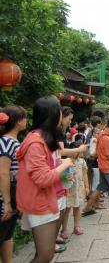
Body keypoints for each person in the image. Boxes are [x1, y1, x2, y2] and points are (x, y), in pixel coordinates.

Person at [16, 97, 74, 263]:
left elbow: (46, 168)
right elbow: (42, 178)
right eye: (59, 112)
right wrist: (66, 164)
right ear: (53, 115)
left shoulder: (41, 138)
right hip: (40, 201)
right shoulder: (36, 142)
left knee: (44, 254)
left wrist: (61, 168)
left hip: (47, 198)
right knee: (45, 255)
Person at [82, 116, 109, 218]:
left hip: (102, 166)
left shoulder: (101, 135)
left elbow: (97, 152)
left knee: (100, 188)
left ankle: (87, 208)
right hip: (108, 167)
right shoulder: (106, 138)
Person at [0, 106, 27, 263]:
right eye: (24, 117)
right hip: (5, 198)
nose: (26, 121)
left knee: (7, 234)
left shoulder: (11, 141)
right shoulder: (7, 142)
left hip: (11, 195)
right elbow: (3, 173)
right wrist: (7, 202)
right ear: (18, 122)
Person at [60, 141, 89, 237]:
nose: (79, 153)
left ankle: (76, 226)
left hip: (79, 189)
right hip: (69, 189)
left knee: (77, 207)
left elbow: (85, 174)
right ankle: (64, 229)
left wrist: (86, 186)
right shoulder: (66, 161)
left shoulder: (82, 161)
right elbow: (63, 177)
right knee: (67, 209)